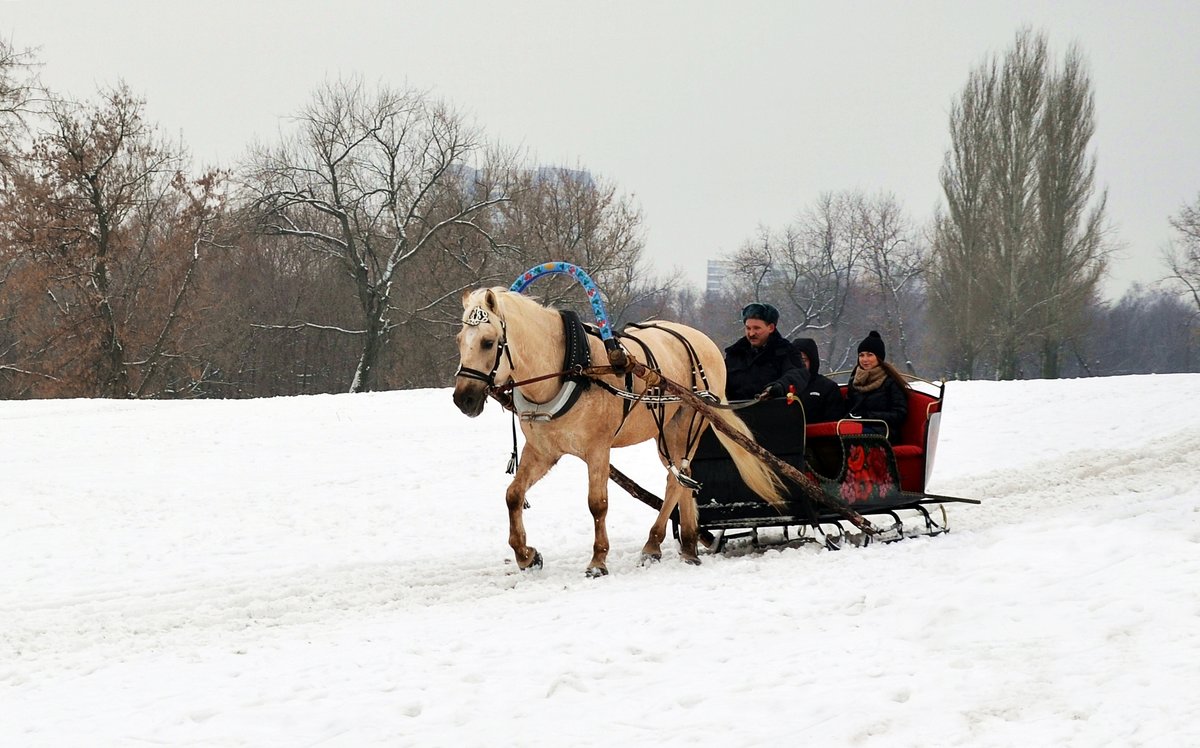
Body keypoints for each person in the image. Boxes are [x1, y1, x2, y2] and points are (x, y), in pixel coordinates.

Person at [723, 302, 809, 401]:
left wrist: (779, 387)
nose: (751, 333)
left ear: (771, 328)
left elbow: (798, 375)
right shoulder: (734, 354)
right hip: (735, 412)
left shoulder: (786, 351)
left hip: (772, 412)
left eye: (756, 328)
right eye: (748, 328)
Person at [844, 330, 909, 440]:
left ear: (879, 357)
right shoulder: (854, 380)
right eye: (861, 355)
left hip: (884, 430)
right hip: (857, 426)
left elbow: (899, 414)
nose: (865, 360)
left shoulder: (891, 382)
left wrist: (868, 416)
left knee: (854, 436)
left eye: (870, 355)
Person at [791, 337, 845, 423]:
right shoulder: (783, 386)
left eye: (804, 360)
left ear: (812, 361)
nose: (800, 364)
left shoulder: (827, 387)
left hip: (816, 434)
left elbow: (833, 422)